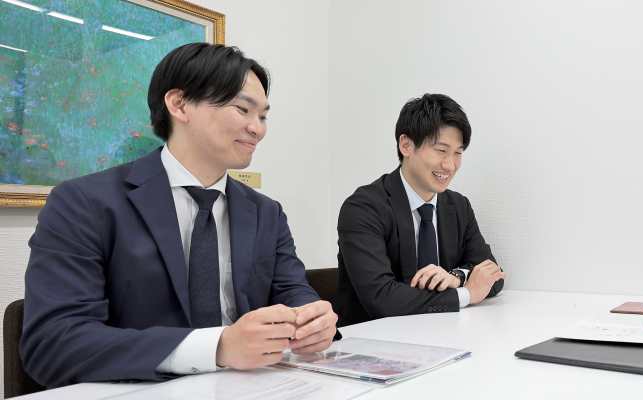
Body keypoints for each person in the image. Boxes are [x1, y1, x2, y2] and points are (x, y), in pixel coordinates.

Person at [21, 43, 338, 388]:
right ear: (179, 104)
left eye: (263, 116)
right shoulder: (84, 203)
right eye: (242, 109)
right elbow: (52, 343)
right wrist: (217, 347)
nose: (257, 129)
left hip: (255, 386)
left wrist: (313, 319)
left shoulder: (266, 212)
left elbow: (293, 291)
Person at [334, 93, 505, 327]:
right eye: (441, 150)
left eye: (458, 153)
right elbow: (382, 299)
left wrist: (456, 278)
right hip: (372, 339)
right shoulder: (363, 209)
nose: (450, 165)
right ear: (406, 145)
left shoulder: (458, 206)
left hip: (444, 335)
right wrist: (466, 294)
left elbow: (493, 275)